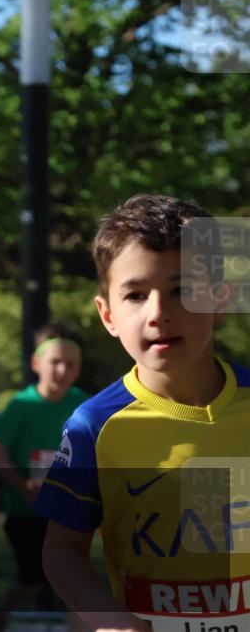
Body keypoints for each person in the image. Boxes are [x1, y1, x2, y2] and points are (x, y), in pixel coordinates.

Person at [36, 194, 249, 632]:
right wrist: (111, 620)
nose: (159, 313)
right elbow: (62, 550)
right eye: (135, 294)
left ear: (221, 300)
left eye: (183, 290)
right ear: (108, 314)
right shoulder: (94, 427)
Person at [0, 323, 89, 631]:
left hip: (68, 509)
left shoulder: (84, 404)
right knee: (32, 582)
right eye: (55, 362)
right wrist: (22, 485)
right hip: (25, 511)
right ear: (36, 363)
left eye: (69, 364)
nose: (61, 370)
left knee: (73, 577)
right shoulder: (22, 404)